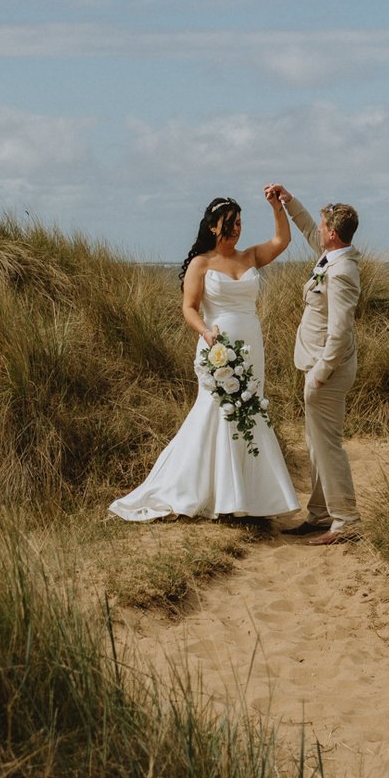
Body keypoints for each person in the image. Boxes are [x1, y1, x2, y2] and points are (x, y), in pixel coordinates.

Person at [109, 194, 301, 523]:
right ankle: (215, 496)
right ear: (213, 227)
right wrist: (206, 333)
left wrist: (276, 206)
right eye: (230, 224)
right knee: (216, 412)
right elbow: (189, 307)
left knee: (248, 410)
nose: (236, 230)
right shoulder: (201, 263)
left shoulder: (250, 256)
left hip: (251, 345)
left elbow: (283, 239)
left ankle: (248, 499)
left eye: (239, 223)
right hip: (217, 346)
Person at [268, 185, 362, 544]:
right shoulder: (331, 257)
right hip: (317, 365)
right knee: (316, 444)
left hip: (329, 371)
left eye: (323, 227)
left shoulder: (341, 272)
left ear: (333, 234)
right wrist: (289, 202)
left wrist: (319, 376)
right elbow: (309, 229)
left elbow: (339, 333)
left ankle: (346, 519)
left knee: (328, 445)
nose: (318, 231)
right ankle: (321, 514)